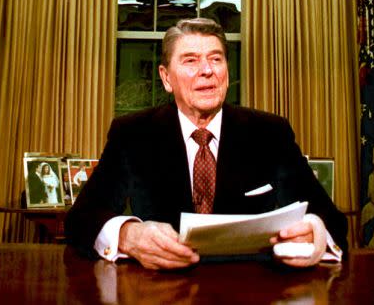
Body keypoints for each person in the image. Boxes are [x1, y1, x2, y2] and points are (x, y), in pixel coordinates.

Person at [66, 18, 347, 270]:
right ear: (166, 78)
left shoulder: (270, 132)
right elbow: (81, 219)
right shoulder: (133, 133)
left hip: (252, 291)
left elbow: (331, 220)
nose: (206, 71)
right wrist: (128, 236)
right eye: (190, 60)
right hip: (162, 292)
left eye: (216, 59)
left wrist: (314, 231)